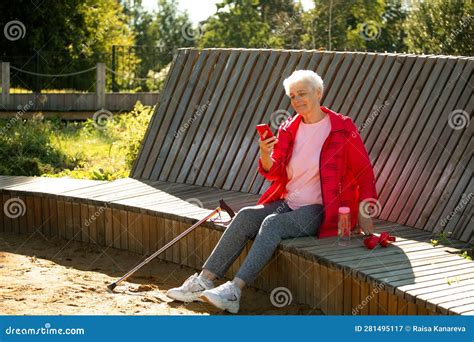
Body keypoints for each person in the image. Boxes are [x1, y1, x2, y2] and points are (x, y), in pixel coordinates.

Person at [166, 70, 378, 314]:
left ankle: (234, 290)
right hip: (287, 203)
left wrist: (365, 212)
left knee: (272, 223)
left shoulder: (342, 128)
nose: (297, 100)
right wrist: (265, 153)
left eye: (302, 94)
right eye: (292, 96)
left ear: (318, 93)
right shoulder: (290, 127)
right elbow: (274, 171)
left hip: (322, 210)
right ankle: (203, 281)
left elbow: (364, 171)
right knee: (245, 214)